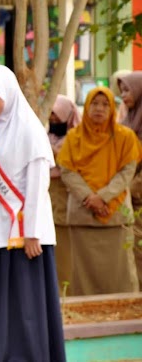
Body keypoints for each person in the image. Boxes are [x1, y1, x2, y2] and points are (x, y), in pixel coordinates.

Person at [0, 65, 66, 361]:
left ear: (7, 92)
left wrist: (32, 231)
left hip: (25, 236)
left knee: (26, 304)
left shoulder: (29, 128)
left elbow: (37, 183)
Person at [59, 86, 140, 296]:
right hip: (82, 217)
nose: (99, 109)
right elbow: (67, 171)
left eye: (105, 104)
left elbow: (127, 170)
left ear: (112, 108)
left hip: (116, 218)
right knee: (81, 276)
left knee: (120, 277)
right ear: (86, 107)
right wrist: (89, 197)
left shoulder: (125, 137)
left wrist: (102, 198)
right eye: (94, 103)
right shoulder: (74, 138)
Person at [47, 95, 81, 293]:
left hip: (69, 196)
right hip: (50, 196)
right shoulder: (46, 137)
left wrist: (55, 153)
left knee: (68, 249)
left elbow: (72, 164)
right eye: (50, 116)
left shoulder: (77, 138)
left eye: (56, 116)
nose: (53, 121)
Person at [118, 72, 142, 290]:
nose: (123, 96)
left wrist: (128, 188)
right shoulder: (129, 119)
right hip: (129, 200)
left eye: (127, 90)